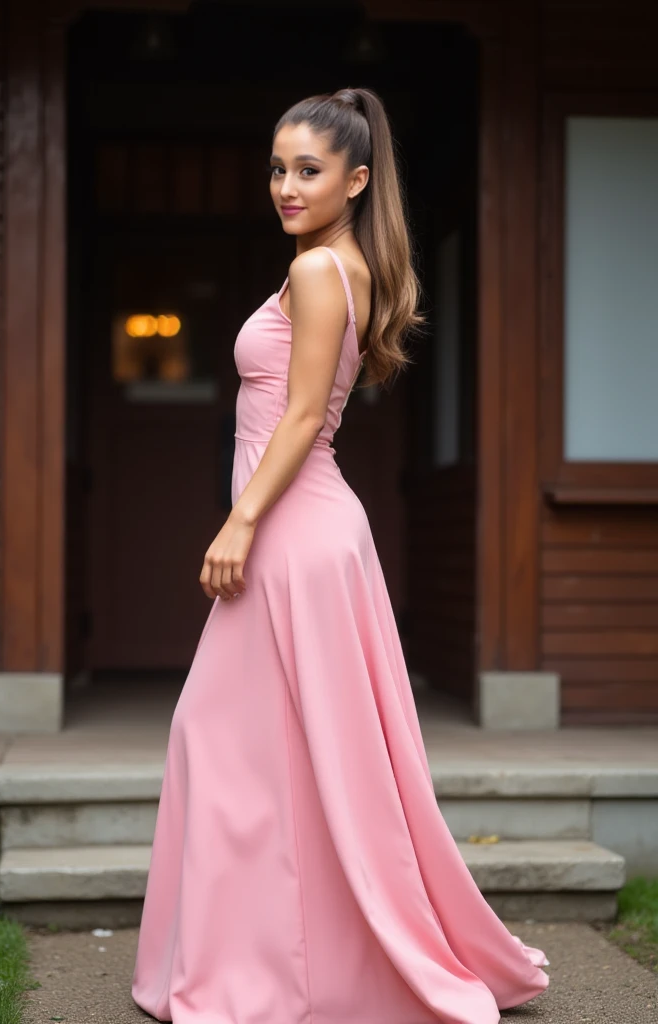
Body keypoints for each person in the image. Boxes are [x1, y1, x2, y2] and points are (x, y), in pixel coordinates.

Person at [131, 86, 550, 1024]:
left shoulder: (323, 271)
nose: (285, 185)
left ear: (356, 181)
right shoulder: (332, 262)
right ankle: (274, 966)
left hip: (295, 532)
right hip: (308, 530)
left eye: (308, 170)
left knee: (240, 743)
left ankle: (273, 970)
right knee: (271, 751)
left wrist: (238, 521)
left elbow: (304, 418)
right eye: (277, 168)